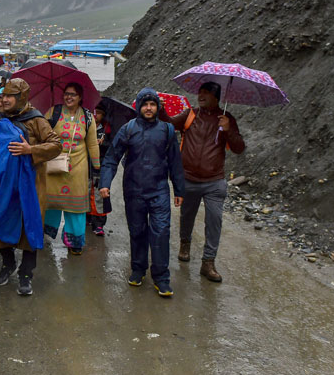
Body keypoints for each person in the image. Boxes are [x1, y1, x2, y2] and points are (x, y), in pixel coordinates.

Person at [0, 78, 62, 295]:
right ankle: (8, 264)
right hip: (3, 184)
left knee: (29, 228)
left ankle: (26, 274)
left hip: (30, 186)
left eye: (9, 96)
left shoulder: (36, 120)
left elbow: (56, 145)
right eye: (3, 96)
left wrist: (30, 150)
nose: (4, 100)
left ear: (21, 98)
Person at [99, 88, 184, 297]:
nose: (148, 108)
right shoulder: (128, 129)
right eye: (145, 104)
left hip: (159, 191)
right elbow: (111, 158)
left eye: (152, 104)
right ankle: (138, 269)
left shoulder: (167, 130)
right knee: (137, 232)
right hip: (134, 190)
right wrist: (105, 182)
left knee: (161, 232)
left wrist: (179, 189)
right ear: (138, 106)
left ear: (157, 107)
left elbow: (175, 162)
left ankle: (161, 277)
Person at [169, 81, 245, 282]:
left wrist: (228, 129)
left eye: (206, 93)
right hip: (188, 178)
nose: (201, 96)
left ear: (216, 97)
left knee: (214, 220)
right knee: (187, 215)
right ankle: (185, 244)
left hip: (214, 181)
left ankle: (208, 262)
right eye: (200, 92)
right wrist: (159, 110)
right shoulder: (190, 114)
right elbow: (168, 124)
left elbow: (238, 148)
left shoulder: (227, 119)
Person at [42, 83, 100, 255]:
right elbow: (41, 134)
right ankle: (46, 231)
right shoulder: (53, 112)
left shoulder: (88, 117)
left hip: (78, 169)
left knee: (76, 206)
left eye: (73, 95)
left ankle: (74, 241)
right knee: (51, 201)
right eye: (66, 94)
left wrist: (97, 169)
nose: (69, 97)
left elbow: (92, 143)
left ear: (80, 97)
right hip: (54, 166)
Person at [87, 101, 112, 235]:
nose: (96, 115)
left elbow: (113, 148)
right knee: (86, 192)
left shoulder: (107, 130)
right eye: (94, 112)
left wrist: (103, 143)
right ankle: (87, 217)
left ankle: (99, 224)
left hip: (100, 166)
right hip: (87, 166)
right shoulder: (86, 127)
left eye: (99, 113)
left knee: (100, 195)